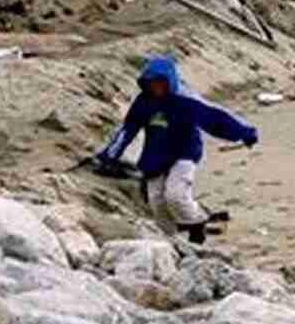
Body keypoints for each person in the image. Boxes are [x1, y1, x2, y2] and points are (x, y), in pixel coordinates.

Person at [95, 55, 258, 244]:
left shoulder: (186, 100)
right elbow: (127, 130)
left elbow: (216, 118)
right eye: (150, 84)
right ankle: (169, 241)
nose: (155, 88)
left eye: (159, 83)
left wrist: (245, 133)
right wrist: (109, 155)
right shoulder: (143, 102)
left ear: (169, 81)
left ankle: (197, 225)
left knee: (176, 195)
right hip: (155, 156)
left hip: (184, 152)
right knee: (156, 203)